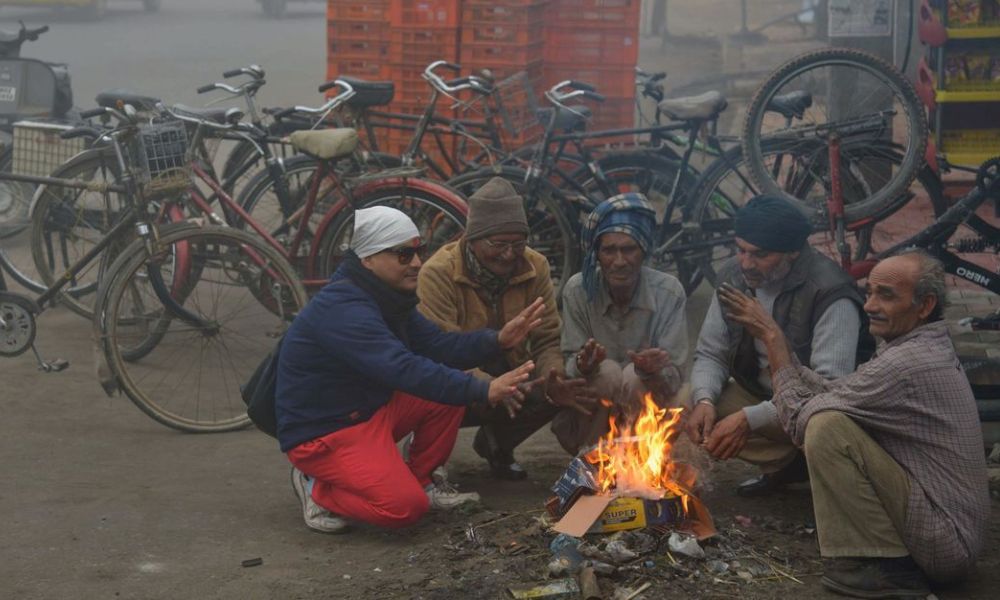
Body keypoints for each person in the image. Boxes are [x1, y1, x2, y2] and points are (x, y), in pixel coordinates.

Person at [718, 249, 989, 597]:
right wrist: (779, 344)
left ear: (925, 306)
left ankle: (889, 571)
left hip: (945, 544)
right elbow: (841, 389)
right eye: (870, 292)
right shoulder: (915, 345)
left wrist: (771, 337)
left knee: (826, 427)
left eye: (886, 295)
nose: (870, 306)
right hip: (947, 534)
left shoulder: (908, 362)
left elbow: (800, 421)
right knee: (830, 417)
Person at [275, 206, 544, 533]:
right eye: (404, 255)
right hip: (325, 432)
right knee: (403, 509)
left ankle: (423, 480)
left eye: (419, 252)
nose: (417, 262)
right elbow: (403, 369)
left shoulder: (386, 294)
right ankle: (316, 487)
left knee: (446, 393)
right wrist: (483, 389)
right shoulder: (345, 308)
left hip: (367, 410)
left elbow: (438, 346)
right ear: (368, 259)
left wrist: (497, 340)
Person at [418, 177, 597, 479]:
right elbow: (437, 351)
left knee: (566, 384)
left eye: (518, 243)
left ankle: (497, 444)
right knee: (430, 386)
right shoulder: (437, 273)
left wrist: (553, 375)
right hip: (458, 377)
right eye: (498, 244)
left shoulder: (534, 266)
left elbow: (546, 339)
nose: (509, 254)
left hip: (510, 376)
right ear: (472, 239)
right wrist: (487, 386)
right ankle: (426, 460)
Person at [685, 194, 864, 496]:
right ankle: (787, 464)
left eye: (759, 255)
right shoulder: (733, 276)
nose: (746, 263)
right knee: (683, 403)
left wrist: (749, 419)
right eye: (740, 250)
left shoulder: (829, 291)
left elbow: (827, 391)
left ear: (792, 252)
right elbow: (710, 352)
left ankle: (820, 468)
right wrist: (703, 400)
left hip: (819, 409)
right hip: (763, 395)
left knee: (823, 421)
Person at [552, 193, 689, 455]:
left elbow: (676, 380)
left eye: (629, 249)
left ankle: (641, 459)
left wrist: (653, 371)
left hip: (649, 406)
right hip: (595, 411)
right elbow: (569, 368)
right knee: (608, 373)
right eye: (609, 250)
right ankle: (593, 457)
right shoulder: (577, 290)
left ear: (643, 252)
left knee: (637, 379)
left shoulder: (669, 292)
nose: (619, 261)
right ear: (597, 254)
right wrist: (583, 365)